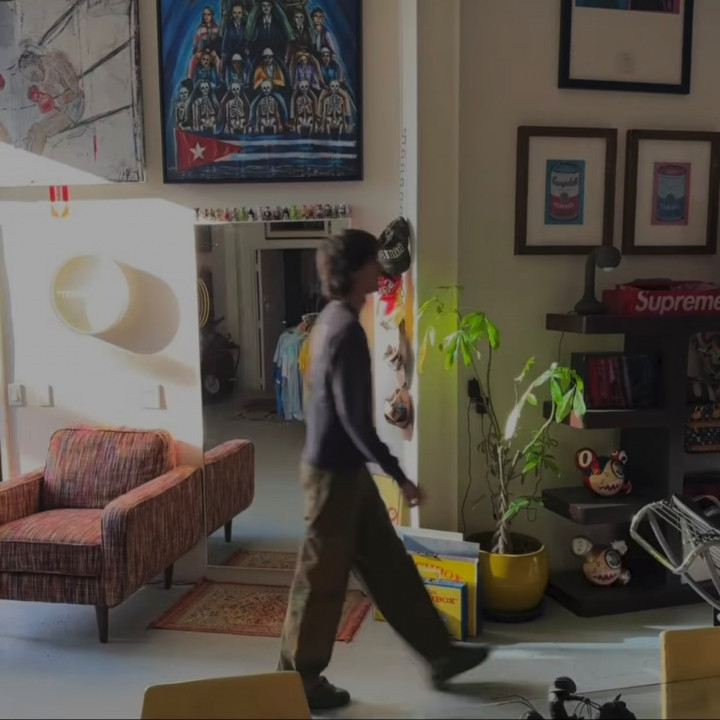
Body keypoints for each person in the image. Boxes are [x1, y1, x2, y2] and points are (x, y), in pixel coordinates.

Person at [278, 230, 491, 711]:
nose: (381, 270)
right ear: (355, 269)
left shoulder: (333, 319)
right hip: (333, 476)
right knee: (320, 582)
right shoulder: (345, 329)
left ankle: (440, 655)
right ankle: (297, 683)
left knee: (391, 567)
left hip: (344, 472)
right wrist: (399, 476)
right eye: (374, 262)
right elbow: (355, 420)